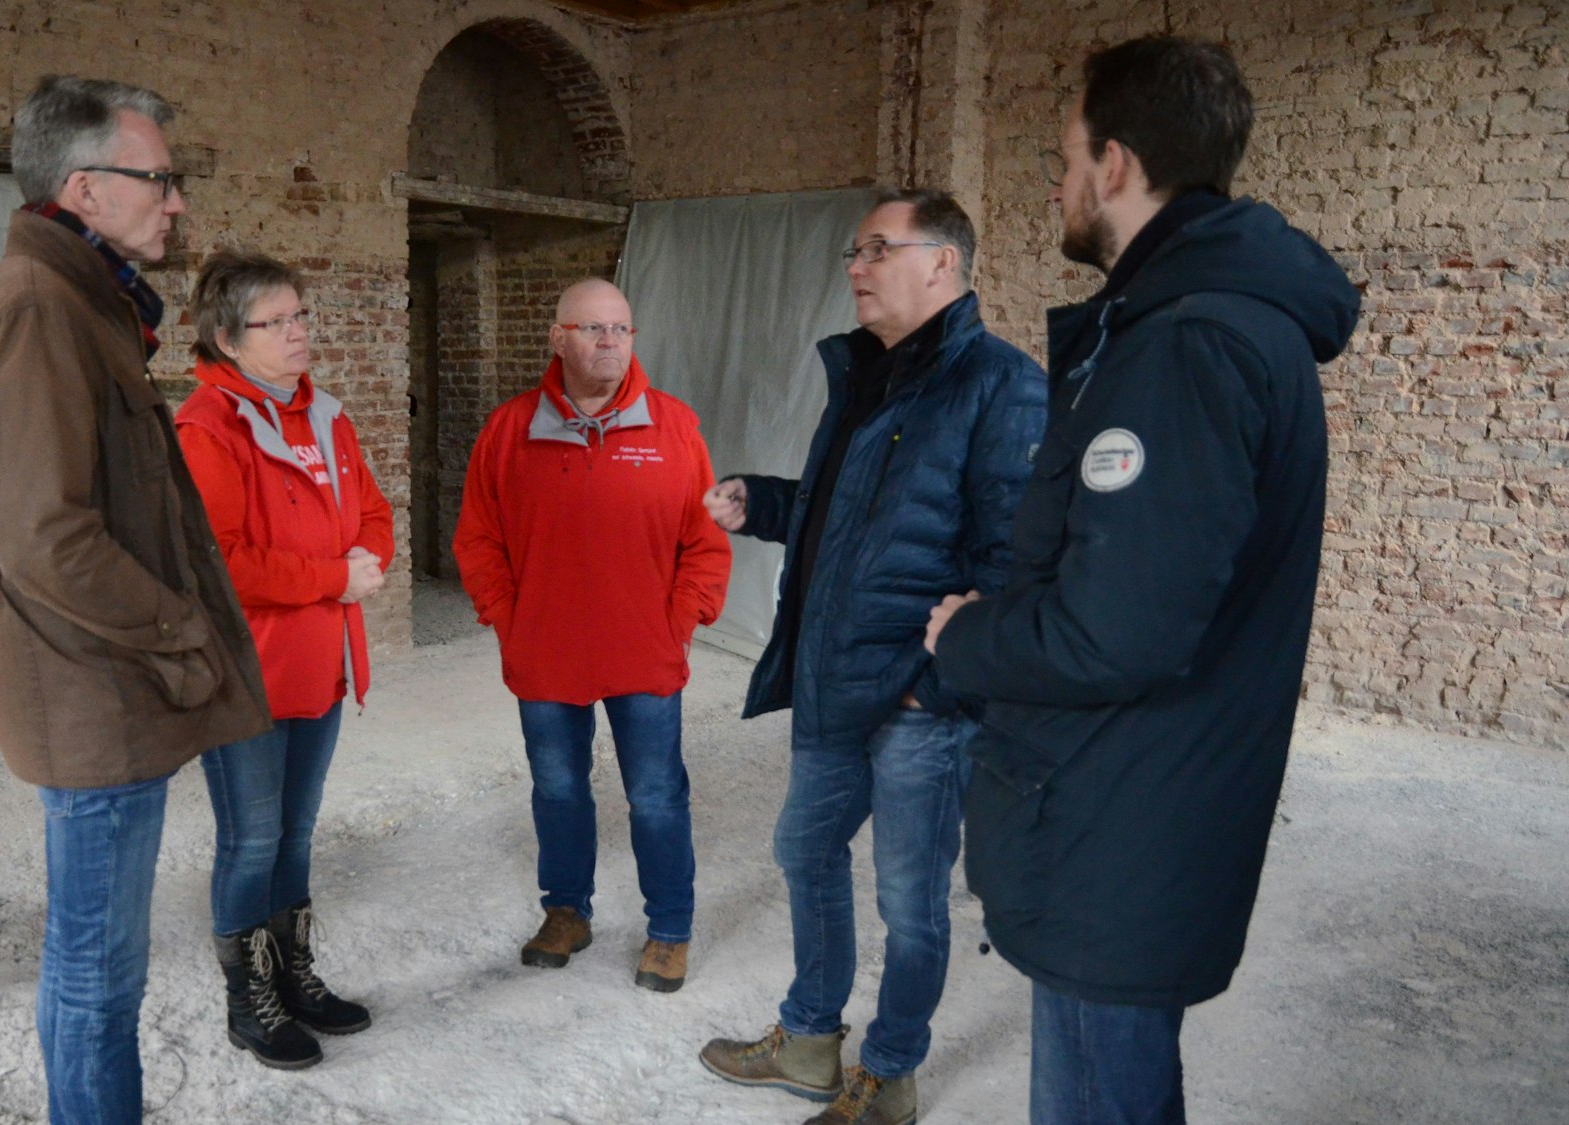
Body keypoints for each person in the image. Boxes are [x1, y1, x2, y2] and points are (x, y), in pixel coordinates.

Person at [922, 37, 1360, 1124]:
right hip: (1137, 807)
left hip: (1117, 822)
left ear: (1113, 165)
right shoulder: (1215, 324)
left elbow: (1114, 633)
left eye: (1064, 160)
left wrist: (965, 636)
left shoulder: (1183, 345)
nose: (1060, 186)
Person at [0, 76, 272, 1123]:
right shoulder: (38, 307)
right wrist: (180, 630)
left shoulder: (82, 304)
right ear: (83, 189)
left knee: (85, 967)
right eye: (158, 179)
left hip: (102, 685)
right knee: (98, 977)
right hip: (90, 692)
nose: (175, 201)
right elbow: (43, 538)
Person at [697, 189, 1047, 1125]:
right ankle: (810, 1038)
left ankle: (889, 1072)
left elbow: (1012, 562)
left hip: (917, 701)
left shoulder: (1001, 384)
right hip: (834, 677)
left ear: (942, 263)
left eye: (876, 248)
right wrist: (762, 503)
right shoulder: (865, 374)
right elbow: (841, 511)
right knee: (803, 847)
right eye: (854, 250)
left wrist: (938, 688)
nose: (855, 266)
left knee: (910, 899)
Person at [453, 278, 731, 993]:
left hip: (645, 652)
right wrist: (509, 622)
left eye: (621, 330)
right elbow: (478, 538)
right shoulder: (509, 430)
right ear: (559, 338)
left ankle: (669, 928)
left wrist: (677, 625)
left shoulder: (674, 428)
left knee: (656, 794)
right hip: (545, 652)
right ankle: (566, 910)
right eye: (593, 328)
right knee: (558, 788)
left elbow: (705, 542)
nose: (610, 342)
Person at [175, 250, 395, 1069]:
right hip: (247, 676)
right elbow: (220, 563)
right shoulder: (206, 428)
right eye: (279, 321)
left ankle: (294, 974)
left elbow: (373, 510)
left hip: (322, 667)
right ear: (229, 339)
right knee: (252, 838)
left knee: (296, 831)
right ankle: (251, 1000)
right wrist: (336, 577)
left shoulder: (328, 416)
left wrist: (367, 556)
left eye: (302, 315)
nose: (300, 332)